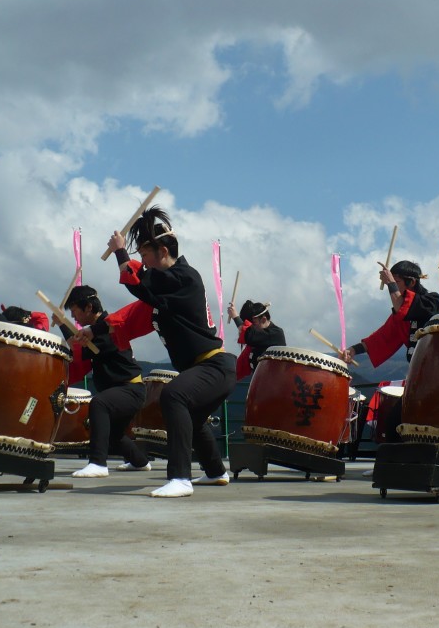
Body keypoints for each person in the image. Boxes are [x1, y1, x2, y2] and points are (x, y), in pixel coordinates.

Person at [97, 206, 236, 498]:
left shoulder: (183, 277)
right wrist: (96, 330)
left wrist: (121, 253)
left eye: (144, 253)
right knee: (193, 419)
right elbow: (134, 308)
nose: (141, 260)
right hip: (204, 369)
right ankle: (216, 472)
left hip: (214, 365)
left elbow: (140, 285)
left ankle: (180, 478)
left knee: (174, 395)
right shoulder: (164, 289)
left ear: (161, 250)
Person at [340, 260, 439, 444]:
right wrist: (353, 350)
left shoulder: (432, 302)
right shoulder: (401, 314)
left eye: (397, 282)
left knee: (422, 426)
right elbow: (382, 337)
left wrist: (390, 283)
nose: (393, 287)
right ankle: (393, 465)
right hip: (418, 378)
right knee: (394, 426)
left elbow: (403, 307)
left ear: (412, 282)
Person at [58, 285, 152, 479]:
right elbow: (80, 350)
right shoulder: (97, 330)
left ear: (88, 308)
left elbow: (81, 350)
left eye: (75, 311)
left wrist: (61, 324)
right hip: (121, 390)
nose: (74, 317)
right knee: (114, 435)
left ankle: (98, 463)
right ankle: (140, 462)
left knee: (99, 404)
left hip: (130, 388)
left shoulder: (110, 327)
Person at [227, 300, 287, 379]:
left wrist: (236, 317)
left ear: (264, 319)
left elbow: (249, 334)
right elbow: (238, 370)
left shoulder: (276, 334)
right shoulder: (254, 343)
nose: (252, 328)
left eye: (254, 324)